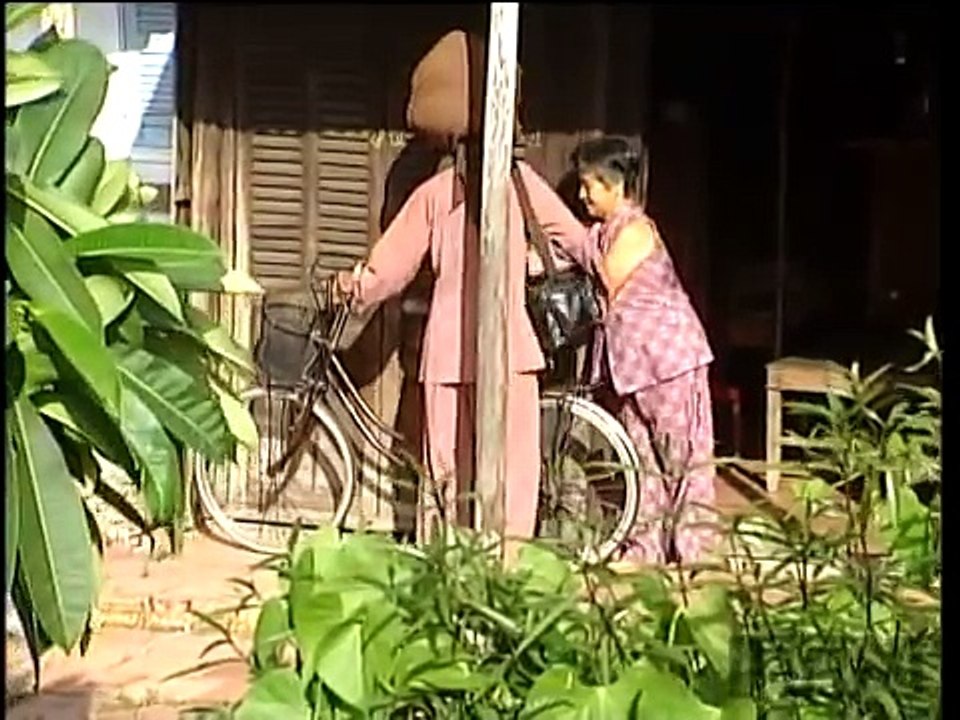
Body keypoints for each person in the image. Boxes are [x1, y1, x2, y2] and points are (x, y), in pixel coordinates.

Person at [336, 154, 588, 546]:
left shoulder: (437, 194)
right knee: (514, 466)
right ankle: (508, 556)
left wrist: (353, 290)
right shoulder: (521, 185)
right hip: (511, 348)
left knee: (447, 464)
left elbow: (390, 268)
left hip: (449, 349)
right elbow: (577, 242)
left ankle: (448, 554)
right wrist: (537, 264)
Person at [561, 135, 719, 566]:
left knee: (682, 458)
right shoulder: (605, 231)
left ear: (614, 185)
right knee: (641, 459)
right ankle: (645, 549)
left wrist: (569, 239)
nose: (582, 195)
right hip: (634, 366)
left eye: (589, 184)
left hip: (668, 361)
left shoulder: (633, 229)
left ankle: (695, 552)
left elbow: (606, 277)